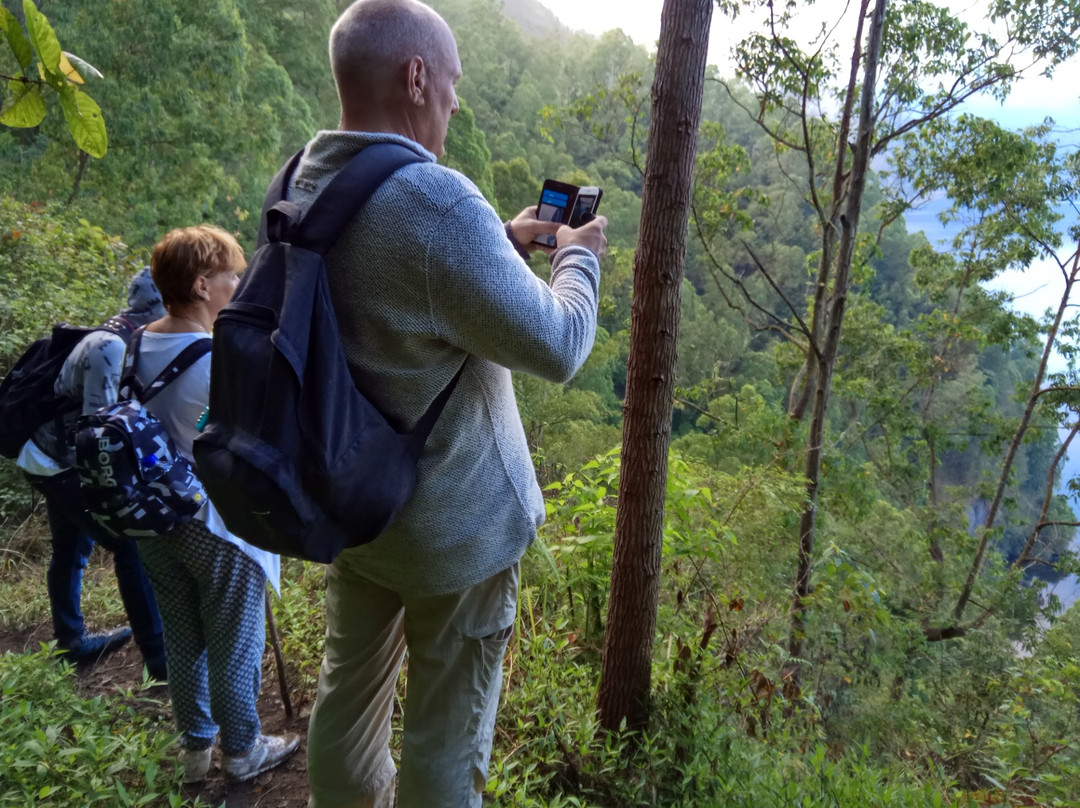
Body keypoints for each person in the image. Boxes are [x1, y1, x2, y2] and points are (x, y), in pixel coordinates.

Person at [290, 2, 608, 805]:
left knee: (348, 699)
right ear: (416, 76)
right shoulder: (435, 203)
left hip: (354, 507)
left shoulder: (306, 178)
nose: (457, 102)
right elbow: (560, 346)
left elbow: (389, 275)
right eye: (453, 82)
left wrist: (496, 239)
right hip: (452, 533)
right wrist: (577, 258)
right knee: (445, 728)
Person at [133, 225, 298, 784]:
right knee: (235, 642)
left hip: (155, 521)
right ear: (203, 285)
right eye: (232, 276)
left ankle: (195, 750)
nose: (238, 285)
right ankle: (243, 751)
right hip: (213, 521)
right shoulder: (213, 359)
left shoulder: (136, 344)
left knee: (184, 639)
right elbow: (243, 432)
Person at [17, 269, 168, 678]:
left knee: (70, 547)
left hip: (50, 454)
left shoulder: (123, 331)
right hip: (57, 459)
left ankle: (71, 642)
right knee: (129, 545)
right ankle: (158, 658)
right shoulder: (111, 346)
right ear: (160, 303)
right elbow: (97, 432)